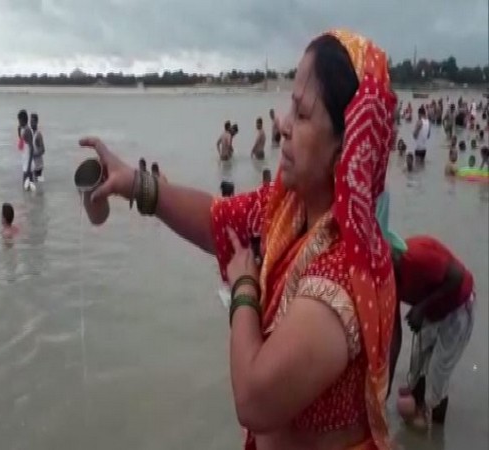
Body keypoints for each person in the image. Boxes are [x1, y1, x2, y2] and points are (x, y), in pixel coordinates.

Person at [79, 29, 397, 449]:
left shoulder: (341, 278)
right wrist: (134, 185)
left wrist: (244, 289)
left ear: (346, 146)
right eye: (290, 107)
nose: (283, 124)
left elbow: (254, 400)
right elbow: (216, 219)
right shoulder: (290, 206)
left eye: (302, 115)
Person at [391, 236, 474, 429]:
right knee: (418, 361)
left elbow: (456, 277)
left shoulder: (418, 257)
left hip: (457, 307)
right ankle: (417, 412)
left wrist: (420, 308)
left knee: (438, 373)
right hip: (431, 310)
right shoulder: (385, 279)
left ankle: (435, 430)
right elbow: (395, 333)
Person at [17, 110, 36, 191]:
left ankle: (32, 202)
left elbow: (31, 148)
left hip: (28, 163)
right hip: (26, 162)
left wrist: (28, 167)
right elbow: (22, 143)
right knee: (27, 188)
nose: (18, 122)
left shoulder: (27, 130)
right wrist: (18, 131)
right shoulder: (24, 129)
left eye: (19, 120)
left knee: (27, 187)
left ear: (23, 120)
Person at [30, 113, 46, 182]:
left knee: (38, 183)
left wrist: (33, 154)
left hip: (38, 166)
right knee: (35, 185)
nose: (31, 124)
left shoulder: (38, 135)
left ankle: (42, 191)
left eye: (33, 122)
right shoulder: (31, 134)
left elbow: (43, 150)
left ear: (36, 122)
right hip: (33, 165)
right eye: (30, 122)